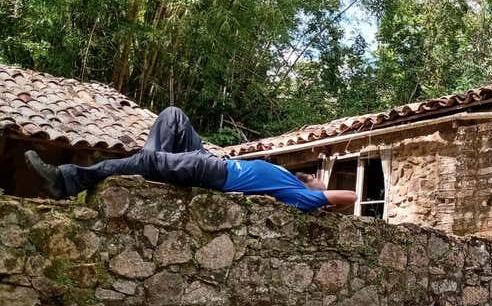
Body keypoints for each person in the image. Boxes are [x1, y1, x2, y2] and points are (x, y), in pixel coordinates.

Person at [23, 107, 357, 211]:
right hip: (212, 158)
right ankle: (153, 165)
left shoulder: (301, 196)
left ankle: (67, 179)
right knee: (172, 116)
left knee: (149, 162)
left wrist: (322, 199)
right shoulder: (287, 177)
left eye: (316, 178)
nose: (312, 175)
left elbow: (352, 196)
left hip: (214, 173)